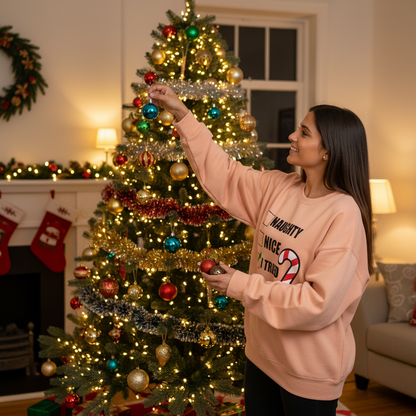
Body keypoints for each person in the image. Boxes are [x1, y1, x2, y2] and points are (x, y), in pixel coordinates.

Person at [147, 84, 373, 416]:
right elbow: (223, 173)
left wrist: (238, 284)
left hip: (307, 372)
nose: (293, 136)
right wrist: (182, 113)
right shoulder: (281, 187)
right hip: (262, 356)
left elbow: (317, 304)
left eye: (304, 132)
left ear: (328, 151)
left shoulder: (343, 214)